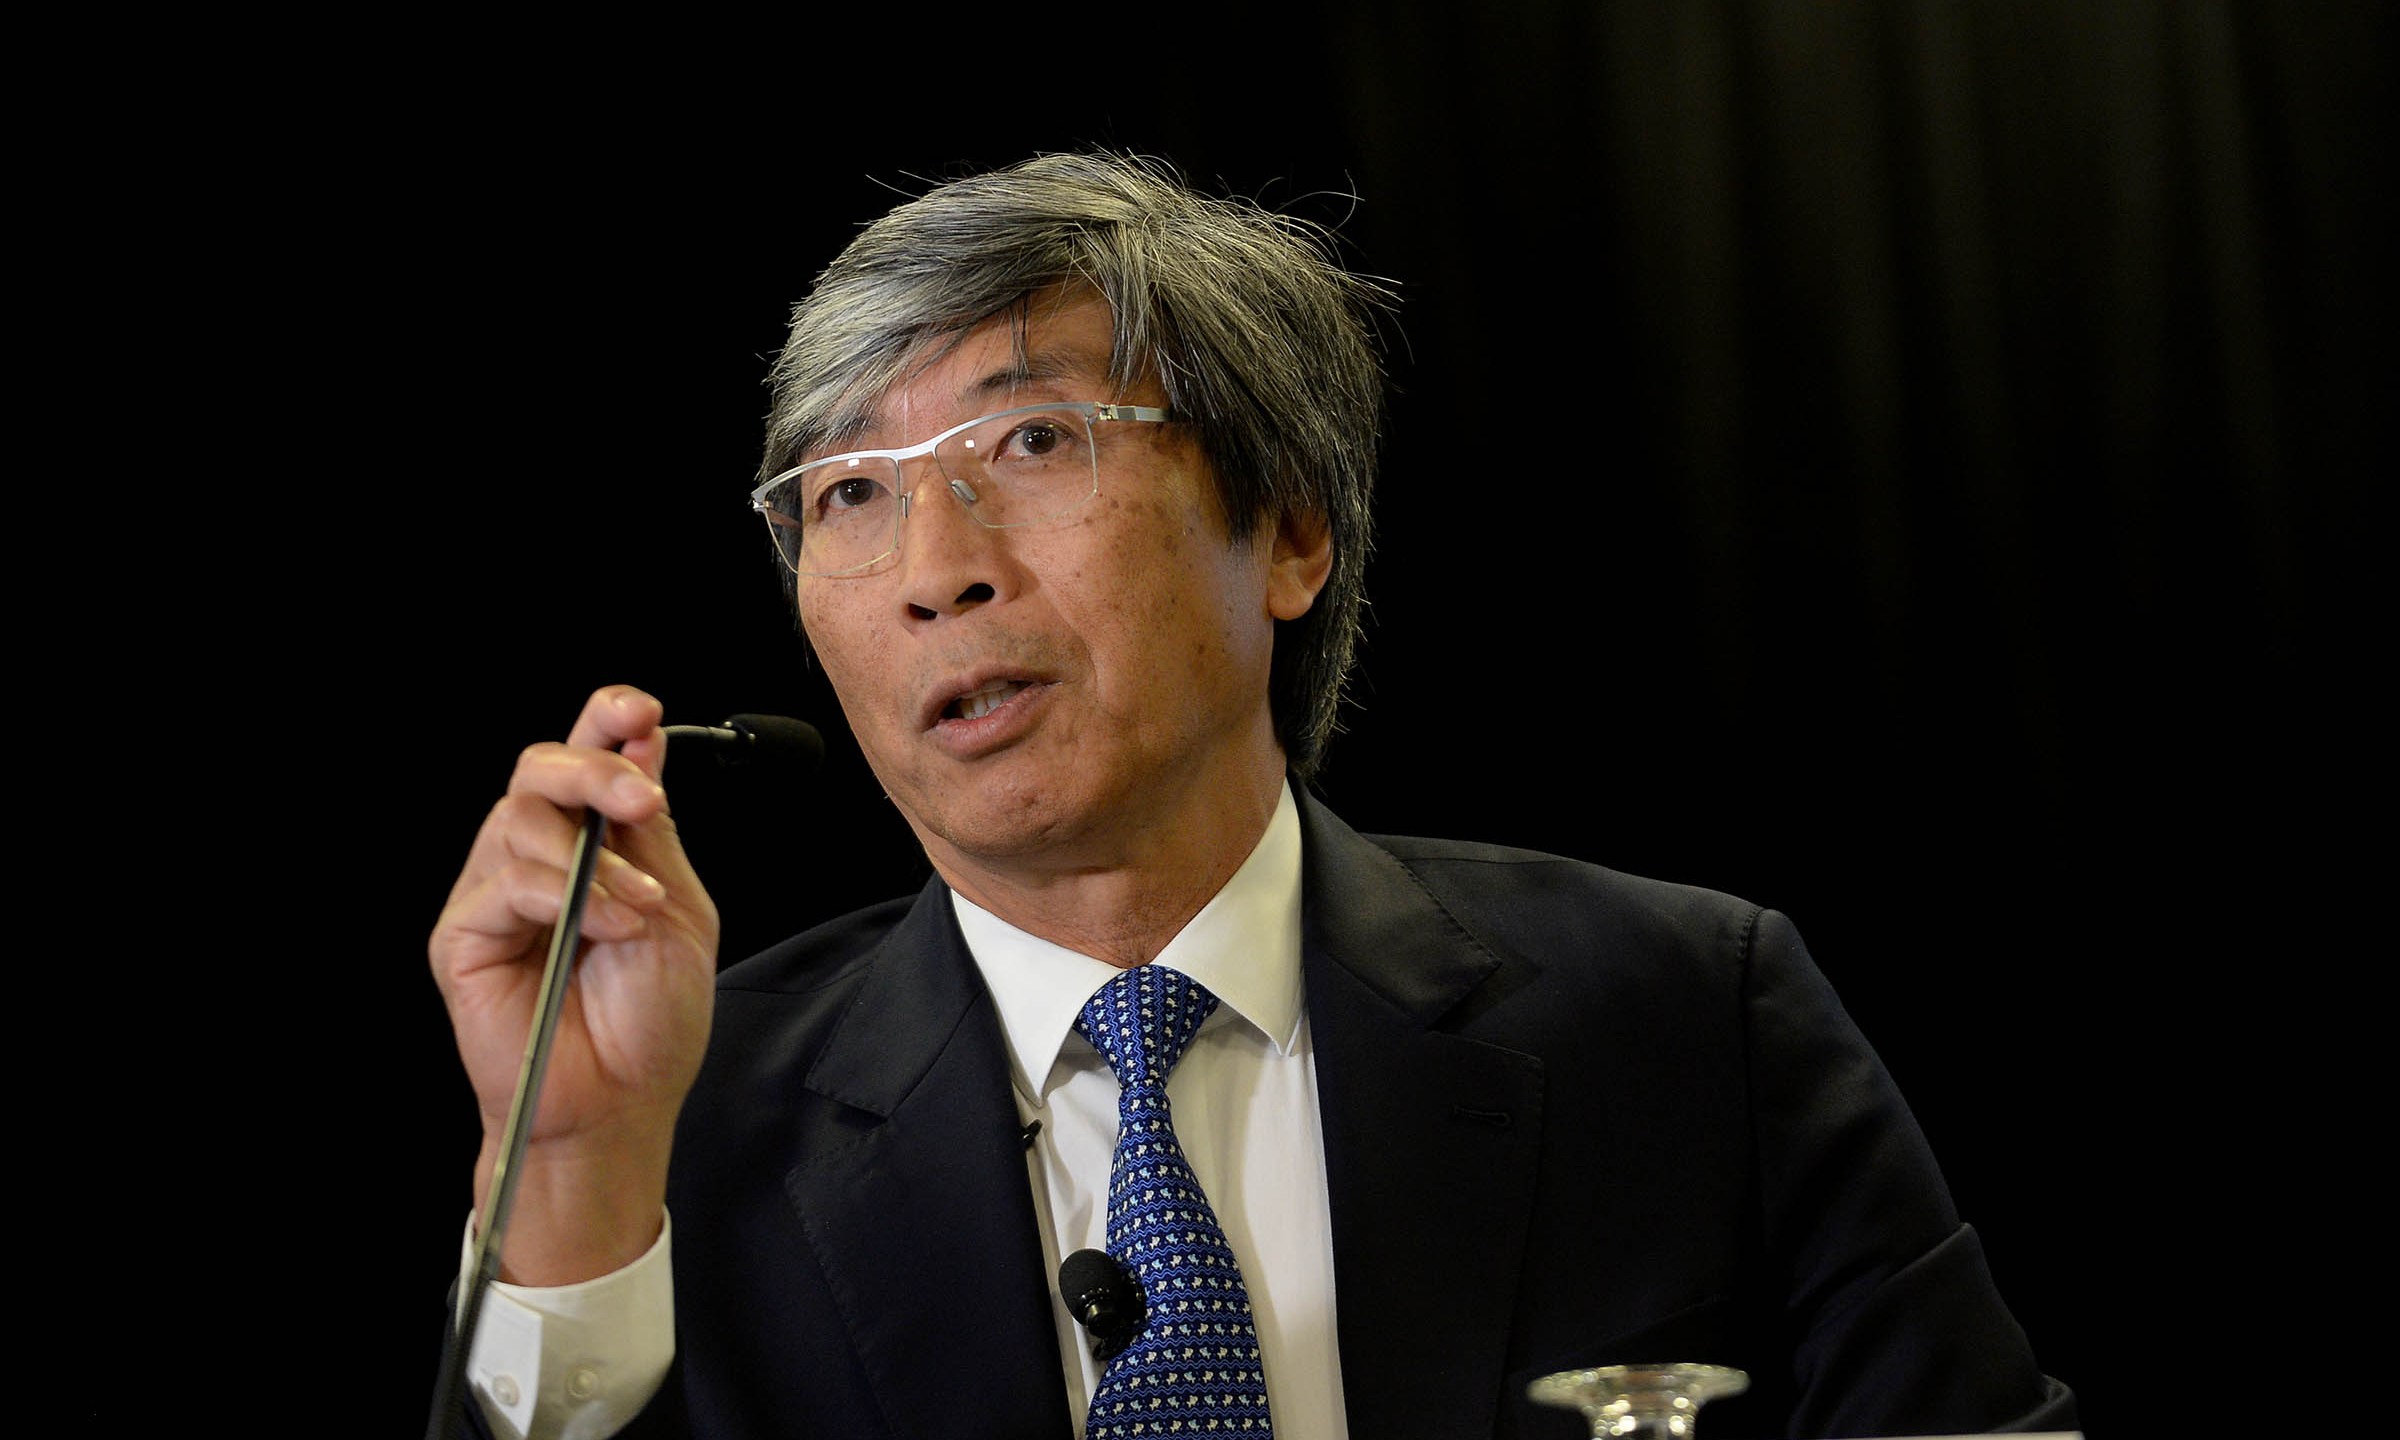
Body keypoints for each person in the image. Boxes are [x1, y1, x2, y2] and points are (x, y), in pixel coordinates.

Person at [426, 149, 2077, 1440]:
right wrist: (566, 1179)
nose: (935, 570)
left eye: (1033, 444)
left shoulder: (1687, 1017)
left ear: (1287, 532)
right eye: (849, 491)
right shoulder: (681, 1116)